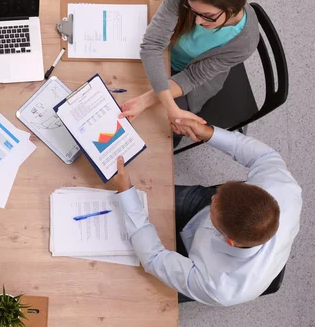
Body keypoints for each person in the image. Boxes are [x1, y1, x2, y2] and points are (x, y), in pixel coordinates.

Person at [111, 120, 301, 306]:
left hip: (195, 267)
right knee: (137, 198)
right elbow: (264, 156)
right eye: (219, 195)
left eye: (214, 210)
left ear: (229, 240)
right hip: (198, 212)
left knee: (126, 280)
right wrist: (207, 133)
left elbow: (153, 258)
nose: (212, 199)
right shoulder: (282, 189)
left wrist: (127, 195)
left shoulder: (217, 286)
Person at [119, 0, 260, 142]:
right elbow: (152, 45)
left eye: (208, 16)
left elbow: (192, 77)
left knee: (167, 133)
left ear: (232, 9)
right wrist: (169, 107)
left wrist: (150, 100)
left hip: (192, 78)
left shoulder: (245, 42)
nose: (198, 21)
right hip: (167, 54)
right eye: (193, 11)